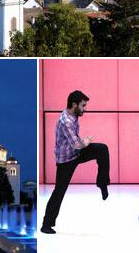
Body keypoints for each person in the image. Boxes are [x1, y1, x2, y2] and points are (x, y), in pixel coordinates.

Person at [41, 90, 110, 234]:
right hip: (66, 159)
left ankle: (102, 183)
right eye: (83, 106)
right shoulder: (66, 121)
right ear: (74, 105)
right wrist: (84, 142)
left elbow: (76, 144)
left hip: (76, 152)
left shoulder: (72, 114)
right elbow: (76, 144)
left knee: (102, 149)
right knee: (59, 191)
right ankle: (46, 225)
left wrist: (83, 143)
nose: (85, 109)